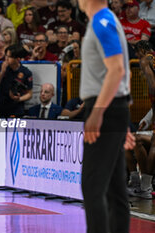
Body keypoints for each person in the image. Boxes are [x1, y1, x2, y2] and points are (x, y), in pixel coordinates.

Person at [78, 0, 135, 233]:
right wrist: (124, 122)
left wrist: (99, 111)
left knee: (93, 186)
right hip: (113, 107)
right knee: (115, 190)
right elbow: (124, 74)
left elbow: (118, 69)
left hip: (105, 107)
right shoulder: (104, 20)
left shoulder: (103, 21)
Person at [0, 44, 33, 118]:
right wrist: (2, 72)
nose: (6, 59)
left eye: (9, 57)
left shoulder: (26, 72)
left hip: (16, 109)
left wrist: (19, 99)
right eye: (6, 56)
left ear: (18, 59)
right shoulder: (0, 67)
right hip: (0, 107)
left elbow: (29, 94)